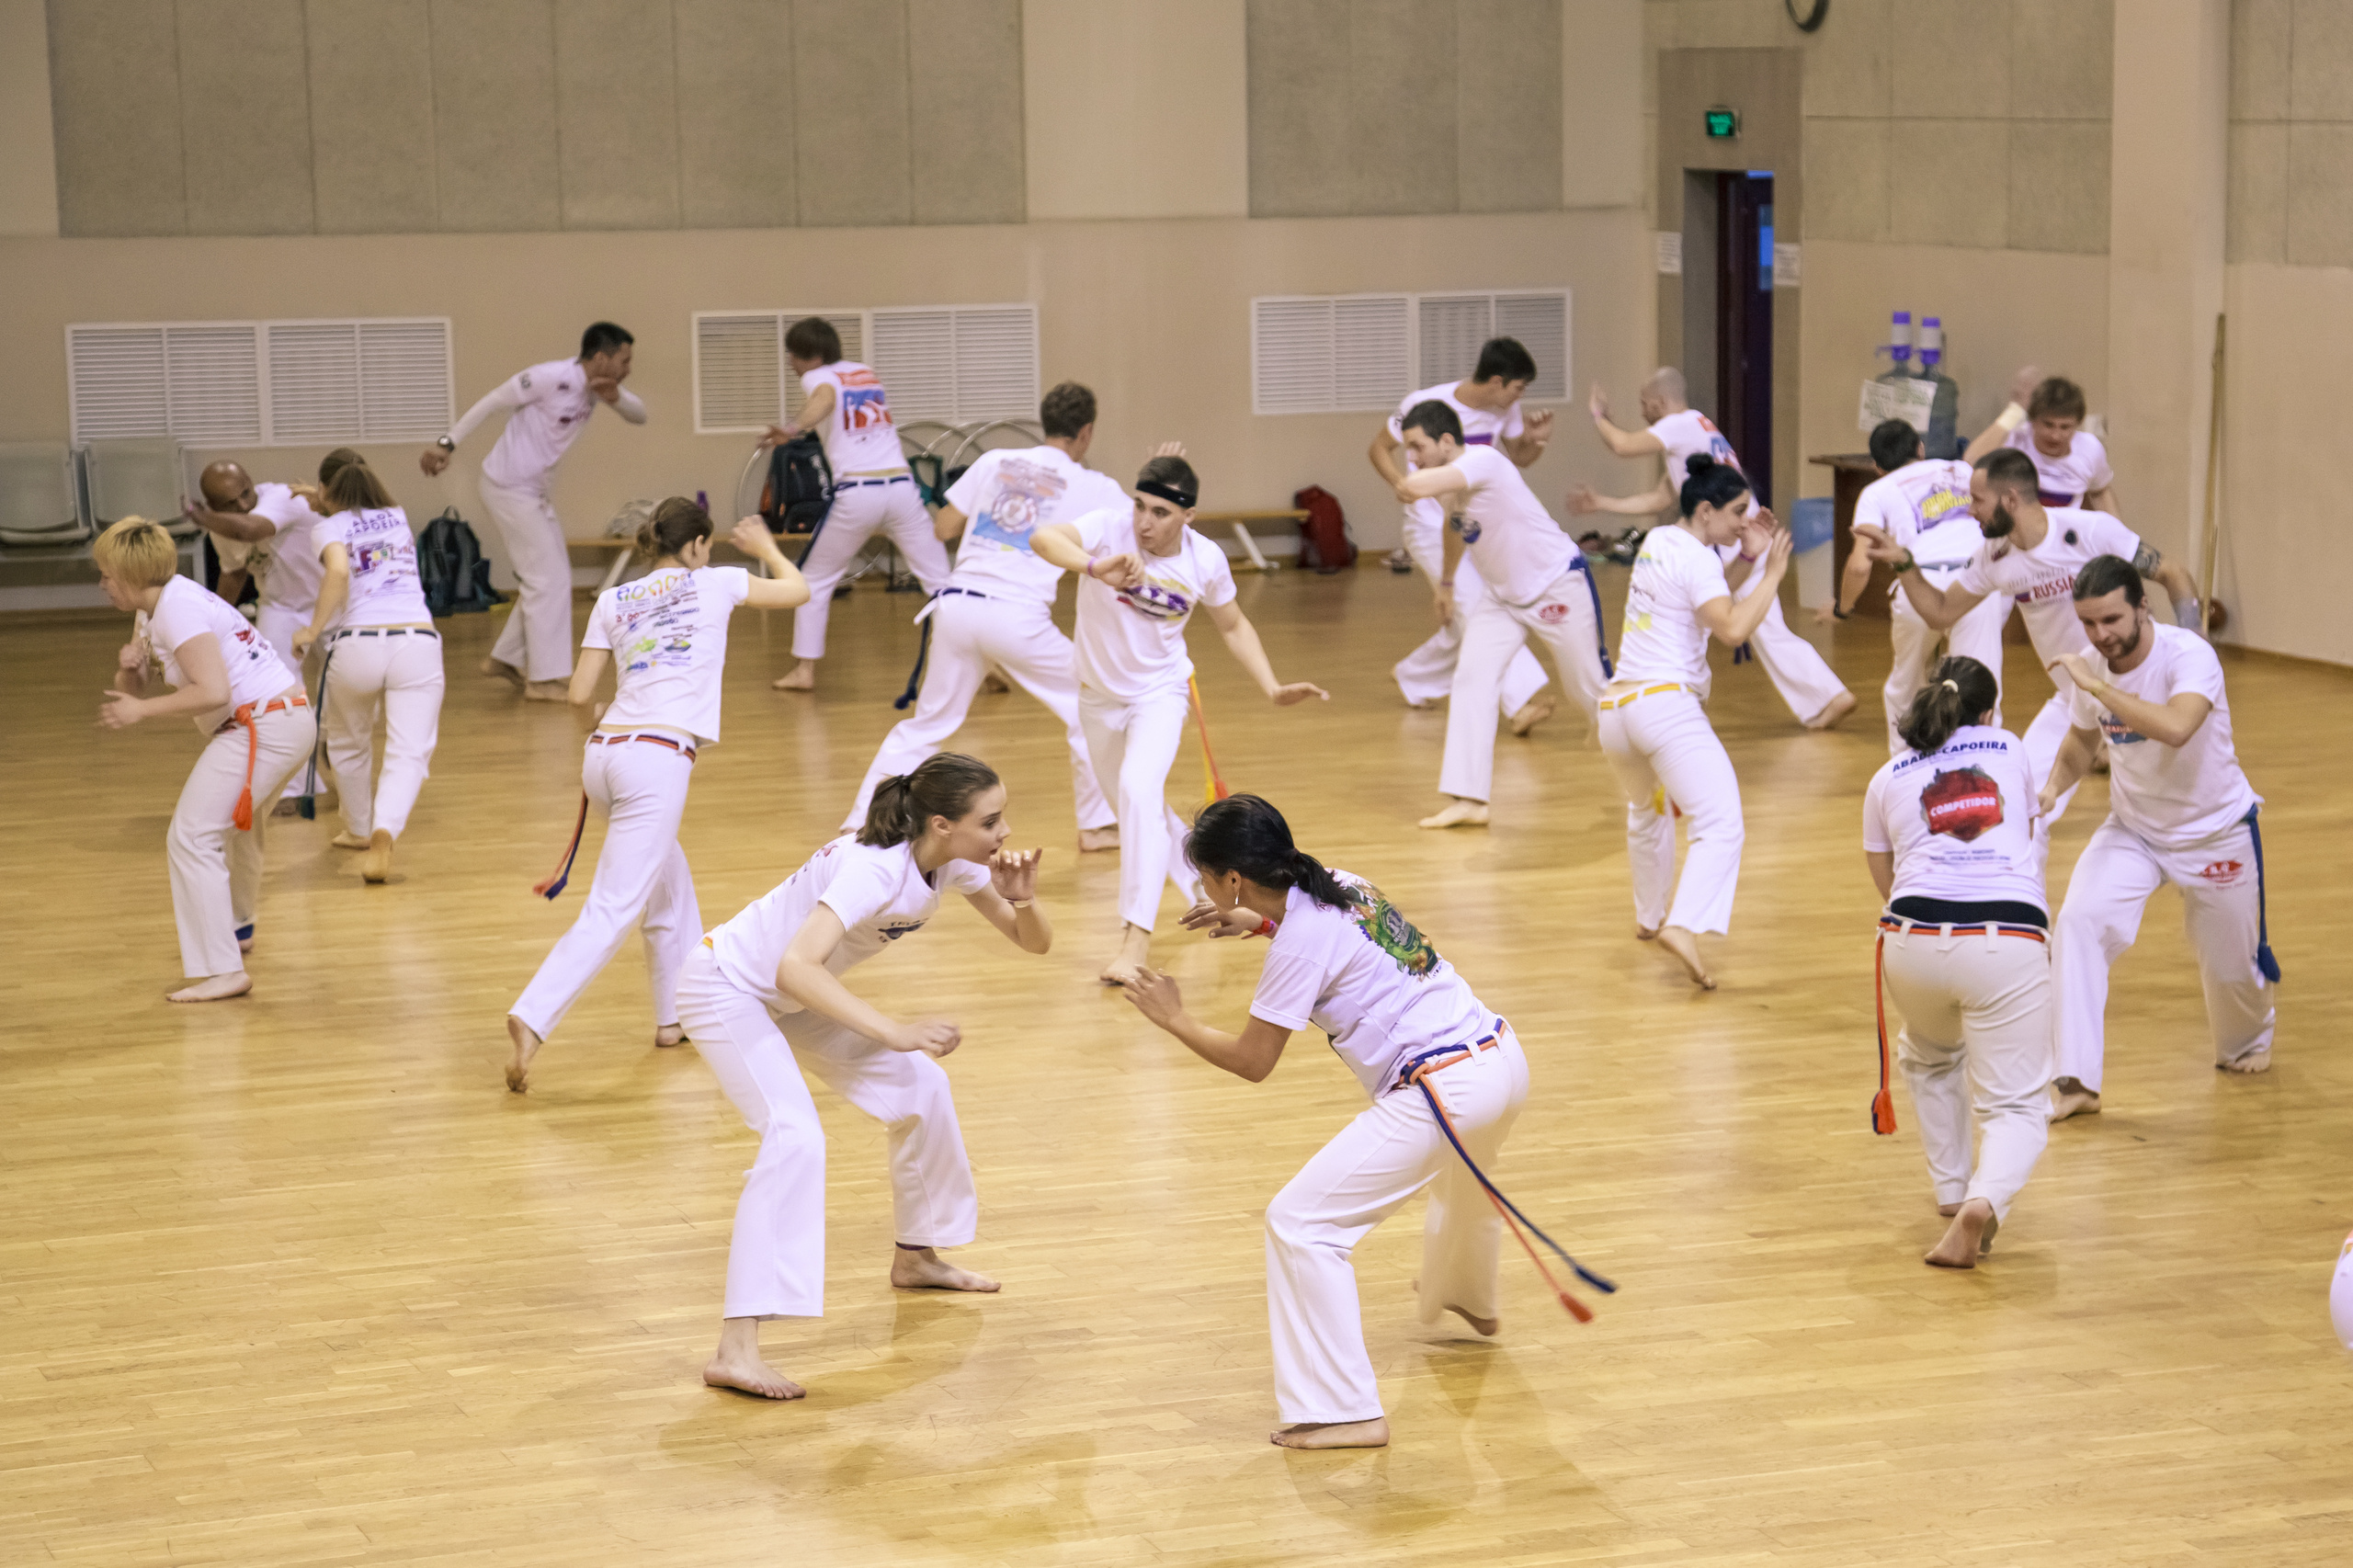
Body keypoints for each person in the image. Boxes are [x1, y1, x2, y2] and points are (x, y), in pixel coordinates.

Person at [1119, 795, 1531, 1449]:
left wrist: (1175, 1018)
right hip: (1502, 1061)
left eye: (1206, 876)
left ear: (1233, 878)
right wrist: (1259, 921)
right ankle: (1467, 1294)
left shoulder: (1299, 948)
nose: (1204, 887)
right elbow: (1333, 942)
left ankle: (1346, 1411)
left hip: (1445, 1090)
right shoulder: (1340, 881)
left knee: (1301, 1224)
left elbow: (1253, 1062)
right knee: (1464, 1176)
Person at [673, 754, 1049, 1400]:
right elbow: (796, 966)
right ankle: (735, 1350)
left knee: (922, 1088)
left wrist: (1024, 899)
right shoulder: (872, 868)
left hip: (790, 997)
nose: (1004, 832)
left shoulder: (950, 863)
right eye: (990, 821)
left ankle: (917, 1256)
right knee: (794, 1137)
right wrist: (894, 1030)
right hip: (725, 986)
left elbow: (1033, 941)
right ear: (942, 824)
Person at [505, 501, 813, 1093]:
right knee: (614, 906)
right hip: (656, 760)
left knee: (668, 888)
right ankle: (533, 1017)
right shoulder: (716, 582)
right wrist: (769, 550)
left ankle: (676, 1016)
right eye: (708, 545)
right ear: (696, 545)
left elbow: (578, 696)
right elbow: (797, 591)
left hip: (605, 754)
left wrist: (598, 734)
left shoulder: (613, 598)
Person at [1030, 450, 1329, 983]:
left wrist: (1272, 686)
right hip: (1097, 699)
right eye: (1140, 506)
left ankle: (1134, 942)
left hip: (1160, 696)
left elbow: (1233, 625)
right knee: (1137, 808)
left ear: (1188, 516)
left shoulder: (1205, 559)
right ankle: (1197, 881)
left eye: (1161, 512)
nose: (1145, 522)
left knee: (1138, 790)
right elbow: (1044, 538)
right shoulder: (1108, 529)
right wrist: (1094, 567)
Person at [1861, 449, 2204, 850]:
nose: (1970, 510)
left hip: (2141, 690)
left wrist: (2197, 651)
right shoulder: (1993, 557)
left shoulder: (2088, 531)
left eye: (1978, 500)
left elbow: (2173, 572)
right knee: (2021, 808)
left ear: (2009, 499)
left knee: (2179, 809)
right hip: (2073, 697)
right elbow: (1940, 613)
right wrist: (1905, 564)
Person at [2036, 556, 2277, 1122]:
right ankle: (2076, 1080)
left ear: (2143, 606)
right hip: (2134, 831)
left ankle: (2247, 1041)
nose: (2100, 635)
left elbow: (2176, 727)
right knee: (2078, 923)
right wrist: (2050, 791)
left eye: (2111, 620)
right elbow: (2080, 740)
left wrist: (2097, 685)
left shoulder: (2189, 656)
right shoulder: (2094, 667)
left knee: (2231, 970)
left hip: (2215, 832)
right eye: (2088, 623)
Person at [841, 381, 1125, 847]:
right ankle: (1096, 826)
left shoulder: (994, 461)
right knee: (1089, 705)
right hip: (1016, 616)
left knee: (927, 726)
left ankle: (860, 823)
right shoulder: (1098, 487)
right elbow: (1139, 534)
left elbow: (943, 528)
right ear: (1086, 432)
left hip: (956, 606)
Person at [1862, 656, 2052, 1268]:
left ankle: (1951, 1189)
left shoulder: (1887, 775)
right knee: (2015, 1105)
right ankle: (1983, 1200)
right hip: (2005, 936)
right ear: (1988, 713)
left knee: (1929, 1054)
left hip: (1909, 938)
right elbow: (2026, 835)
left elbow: (1885, 877)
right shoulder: (2010, 747)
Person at [94, 517, 316, 1003]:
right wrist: (130, 669)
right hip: (282, 721)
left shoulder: (178, 610)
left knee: (192, 836)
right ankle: (238, 928)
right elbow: (136, 684)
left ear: (131, 575)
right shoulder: (156, 607)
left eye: (107, 574)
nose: (102, 583)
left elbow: (212, 691)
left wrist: (142, 712)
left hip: (265, 726)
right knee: (236, 829)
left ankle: (223, 969)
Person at [1597, 457, 1791, 990]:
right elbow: (1731, 628)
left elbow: (1708, 600)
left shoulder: (1660, 540)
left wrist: (1747, 558)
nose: (1743, 523)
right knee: (1721, 823)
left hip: (1617, 713)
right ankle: (1682, 927)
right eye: (1737, 513)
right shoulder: (1699, 558)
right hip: (1665, 710)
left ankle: (1650, 916)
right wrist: (1773, 571)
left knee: (1647, 811)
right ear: (1705, 510)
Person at [1574, 369, 1856, 731]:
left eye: (1644, 405)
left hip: (1738, 535)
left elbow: (1623, 445)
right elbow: (1661, 498)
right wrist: (1603, 503)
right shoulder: (1696, 430)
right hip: (1741, 532)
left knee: (1759, 627)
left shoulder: (1680, 424)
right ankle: (1827, 696)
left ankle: (1830, 696)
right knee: (1761, 627)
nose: (1643, 414)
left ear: (1659, 402)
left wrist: (1598, 414)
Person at [1389, 400, 1611, 829]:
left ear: (1447, 441)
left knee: (1586, 687)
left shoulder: (1483, 461)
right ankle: (1470, 799)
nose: (1411, 457)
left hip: (1555, 584)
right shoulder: (1449, 486)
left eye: (1416, 447)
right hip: (1502, 598)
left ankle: (1654, 751)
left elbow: (1415, 486)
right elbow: (1454, 527)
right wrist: (1447, 583)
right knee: (1472, 679)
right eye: (1407, 449)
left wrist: (1405, 479)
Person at [422, 322, 645, 701]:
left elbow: (639, 414)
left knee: (550, 577)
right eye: (623, 361)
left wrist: (615, 398)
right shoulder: (549, 377)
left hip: (533, 494)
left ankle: (505, 658)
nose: (627, 369)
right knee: (547, 580)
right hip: (507, 488)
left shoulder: (600, 388)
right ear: (601, 357)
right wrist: (447, 443)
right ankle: (543, 681)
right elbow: (493, 401)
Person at [1365, 336, 1556, 732]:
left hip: (1473, 527)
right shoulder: (1425, 403)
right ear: (1497, 382)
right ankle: (1519, 703)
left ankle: (1415, 676)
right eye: (1518, 388)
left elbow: (1519, 458)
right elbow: (1379, 448)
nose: (1520, 397)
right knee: (1476, 606)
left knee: (1467, 613)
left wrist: (1537, 441)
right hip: (1428, 526)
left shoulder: (1506, 409)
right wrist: (1404, 484)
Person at [757, 317, 951, 692]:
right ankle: (982, 661)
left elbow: (825, 399)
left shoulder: (816, 377)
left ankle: (804, 671)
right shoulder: (865, 373)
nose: (790, 363)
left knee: (813, 579)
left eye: (792, 355)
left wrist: (793, 429)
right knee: (940, 581)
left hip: (859, 492)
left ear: (811, 357)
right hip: (902, 489)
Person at [291, 458, 444, 886]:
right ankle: (385, 830)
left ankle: (358, 828)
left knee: (347, 740)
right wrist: (321, 496)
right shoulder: (397, 515)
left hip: (357, 644)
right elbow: (360, 510)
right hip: (416, 641)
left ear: (326, 491)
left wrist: (312, 630)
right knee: (409, 750)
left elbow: (339, 569)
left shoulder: (327, 527)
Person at [1825, 420, 2014, 755]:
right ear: (1920, 449)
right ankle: (1983, 763)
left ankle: (1904, 763)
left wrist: (1843, 609)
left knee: (1906, 683)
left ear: (1877, 466)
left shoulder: (1876, 492)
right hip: (1976, 582)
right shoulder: (1959, 470)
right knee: (1977, 680)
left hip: (1919, 582)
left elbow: (1859, 564)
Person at [180, 455, 344, 809]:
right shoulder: (221, 527)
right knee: (278, 696)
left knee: (345, 688)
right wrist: (209, 621)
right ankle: (296, 788)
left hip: (333, 602)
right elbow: (234, 572)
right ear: (214, 506)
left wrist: (200, 516)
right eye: (230, 503)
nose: (243, 505)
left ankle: (328, 737)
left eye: (245, 493)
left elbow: (251, 529)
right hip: (281, 608)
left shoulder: (283, 497)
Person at [1962, 369, 2118, 512]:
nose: (2055, 436)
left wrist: (2117, 530)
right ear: (2033, 421)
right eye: (2048, 425)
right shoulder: (2018, 438)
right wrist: (2015, 411)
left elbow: (2100, 492)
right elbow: (1971, 461)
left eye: (2065, 427)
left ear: (2077, 424)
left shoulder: (2090, 449)